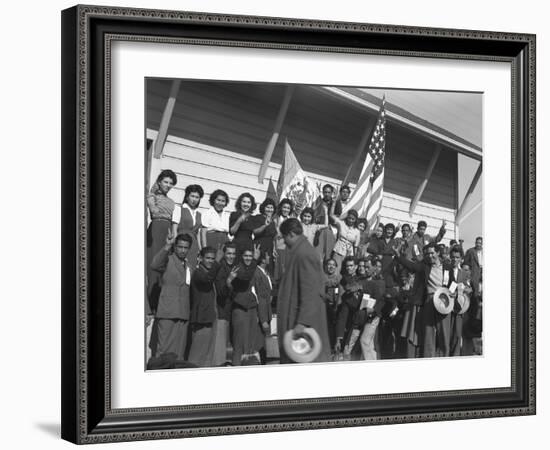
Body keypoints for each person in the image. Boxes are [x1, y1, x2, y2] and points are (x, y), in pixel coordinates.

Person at [276, 218, 331, 363]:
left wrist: (302, 322)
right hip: (297, 318)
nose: (284, 242)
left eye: (284, 237)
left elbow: (311, 291)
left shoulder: (305, 253)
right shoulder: (300, 251)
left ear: (292, 234)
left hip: (302, 324)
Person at [395, 242, 452, 358]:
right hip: (429, 300)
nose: (430, 256)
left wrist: (453, 292)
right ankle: (428, 358)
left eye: (432, 253)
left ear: (438, 252)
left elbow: (454, 282)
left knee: (444, 333)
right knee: (428, 333)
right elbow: (411, 266)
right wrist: (398, 256)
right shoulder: (424, 266)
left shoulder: (447, 267)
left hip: (445, 300)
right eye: (427, 254)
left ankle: (445, 357)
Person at [149, 232, 192, 362]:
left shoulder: (188, 265)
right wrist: (167, 246)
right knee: (164, 352)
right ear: (175, 247)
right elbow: (154, 265)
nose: (183, 250)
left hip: (183, 313)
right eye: (180, 247)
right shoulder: (168, 259)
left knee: (179, 353)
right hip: (168, 312)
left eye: (186, 248)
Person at [146, 169, 178, 314]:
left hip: (168, 231)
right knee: (153, 264)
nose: (168, 185)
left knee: (164, 266)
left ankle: (160, 302)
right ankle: (150, 304)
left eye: (171, 183)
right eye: (165, 181)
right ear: (159, 181)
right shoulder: (152, 196)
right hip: (156, 228)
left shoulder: (172, 202)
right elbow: (152, 210)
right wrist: (152, 205)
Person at [187, 246, 224, 367]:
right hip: (201, 319)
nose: (210, 261)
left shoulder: (209, 272)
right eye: (207, 258)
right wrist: (217, 262)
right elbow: (206, 280)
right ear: (200, 258)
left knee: (208, 354)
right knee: (197, 355)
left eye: (213, 259)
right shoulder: (198, 272)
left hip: (210, 317)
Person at [228, 244, 263, 366]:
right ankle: (237, 365)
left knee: (250, 342)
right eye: (246, 256)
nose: (248, 258)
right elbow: (244, 277)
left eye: (250, 256)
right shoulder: (238, 267)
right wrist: (255, 260)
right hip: (239, 307)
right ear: (241, 257)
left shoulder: (252, 268)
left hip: (251, 307)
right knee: (239, 341)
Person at [212, 242, 238, 366]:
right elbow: (221, 292)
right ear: (224, 254)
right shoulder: (221, 268)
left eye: (233, 254)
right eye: (228, 253)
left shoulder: (234, 267)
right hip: (221, 311)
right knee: (220, 350)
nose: (231, 256)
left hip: (231, 312)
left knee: (228, 347)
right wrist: (229, 282)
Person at [447, 246, 473, 356]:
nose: (454, 259)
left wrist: (460, 290)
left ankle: (456, 356)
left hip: (459, 307)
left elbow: (469, 289)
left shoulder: (464, 273)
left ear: (461, 259)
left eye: (457, 257)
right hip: (446, 306)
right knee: (446, 334)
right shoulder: (446, 270)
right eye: (452, 257)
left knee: (457, 334)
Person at [174, 184, 204, 270]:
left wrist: (200, 249)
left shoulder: (199, 214)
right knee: (179, 267)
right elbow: (174, 229)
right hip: (181, 243)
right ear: (187, 196)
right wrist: (175, 246)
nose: (194, 199)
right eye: (192, 196)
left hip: (193, 245)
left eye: (197, 197)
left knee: (191, 268)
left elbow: (198, 234)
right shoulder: (179, 209)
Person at [253, 251, 274, 364]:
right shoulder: (257, 273)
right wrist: (263, 319)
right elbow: (260, 298)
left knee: (264, 342)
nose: (269, 257)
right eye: (267, 256)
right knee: (260, 343)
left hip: (267, 311)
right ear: (262, 259)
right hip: (262, 314)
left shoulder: (266, 272)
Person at [329, 208, 361, 272]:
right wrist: (334, 203)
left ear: (356, 220)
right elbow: (331, 215)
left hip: (349, 253)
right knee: (336, 269)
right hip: (338, 249)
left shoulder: (357, 231)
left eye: (353, 219)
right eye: (349, 218)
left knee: (346, 270)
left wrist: (354, 258)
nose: (351, 220)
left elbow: (356, 246)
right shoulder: (342, 223)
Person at [252, 198, 278, 275]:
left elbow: (273, 237)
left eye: (271, 208)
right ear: (263, 208)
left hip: (269, 249)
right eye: (268, 207)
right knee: (257, 270)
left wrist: (274, 249)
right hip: (259, 247)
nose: (270, 210)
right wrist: (265, 225)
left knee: (268, 271)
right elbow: (255, 232)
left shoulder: (273, 221)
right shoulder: (258, 217)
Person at [313, 184, 337, 262]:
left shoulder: (336, 203)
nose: (327, 194)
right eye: (325, 192)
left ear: (332, 193)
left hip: (331, 230)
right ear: (323, 192)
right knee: (318, 253)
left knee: (328, 254)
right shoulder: (319, 202)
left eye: (329, 192)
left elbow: (337, 218)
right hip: (319, 229)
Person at [322, 258, 341, 352]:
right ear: (325, 266)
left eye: (333, 265)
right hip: (324, 306)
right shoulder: (322, 277)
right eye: (329, 264)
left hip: (336, 306)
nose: (331, 266)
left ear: (336, 267)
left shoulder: (339, 278)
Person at [273, 198, 294, 284]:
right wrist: (273, 248)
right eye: (284, 207)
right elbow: (273, 236)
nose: (286, 210)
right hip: (279, 249)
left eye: (288, 208)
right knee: (278, 274)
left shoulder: (292, 221)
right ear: (281, 208)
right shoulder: (276, 220)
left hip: (289, 250)